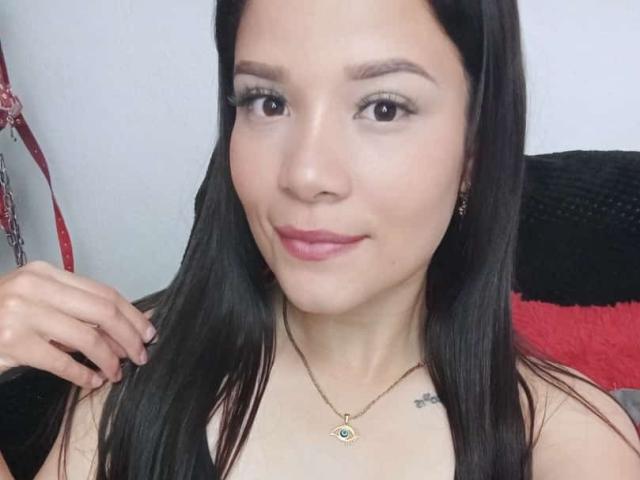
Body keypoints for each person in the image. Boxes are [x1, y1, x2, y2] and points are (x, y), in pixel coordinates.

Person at [1, 0, 639, 478]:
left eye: (383, 107)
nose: (305, 174)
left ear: (475, 149)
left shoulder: (566, 445)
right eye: (267, 102)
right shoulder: (134, 389)